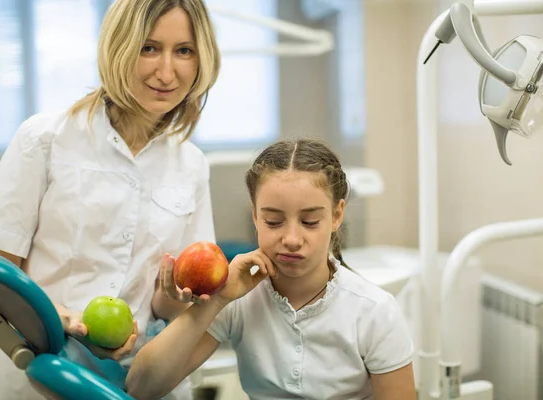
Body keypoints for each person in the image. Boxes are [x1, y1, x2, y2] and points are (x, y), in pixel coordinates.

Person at [0, 0, 220, 398]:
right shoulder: (46, 138)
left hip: (136, 379)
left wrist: (174, 296)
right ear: (119, 47)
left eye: (184, 51)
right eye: (149, 47)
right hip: (37, 373)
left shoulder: (191, 164)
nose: (167, 71)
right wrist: (58, 317)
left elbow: (166, 305)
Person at [126, 139, 417, 400]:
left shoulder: (375, 312)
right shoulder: (237, 301)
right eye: (274, 222)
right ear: (255, 215)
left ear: (337, 215)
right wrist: (217, 299)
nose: (291, 239)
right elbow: (142, 387)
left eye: (310, 222)